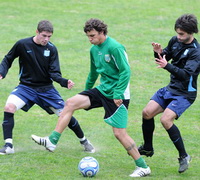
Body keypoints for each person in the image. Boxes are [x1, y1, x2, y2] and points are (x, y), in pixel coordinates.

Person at [32, 18, 151, 177]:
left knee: (119, 133)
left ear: (102, 33)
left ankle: (143, 167)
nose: (90, 39)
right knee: (71, 103)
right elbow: (94, 72)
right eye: (88, 36)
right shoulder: (94, 50)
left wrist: (117, 93)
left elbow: (125, 72)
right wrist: (87, 92)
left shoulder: (115, 47)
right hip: (102, 89)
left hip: (118, 95)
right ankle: (52, 141)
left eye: (93, 36)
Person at [0, 20, 95, 155]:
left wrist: (64, 81)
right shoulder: (22, 44)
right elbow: (7, 59)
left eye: (49, 36)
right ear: (37, 32)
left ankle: (84, 141)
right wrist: (1, 72)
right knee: (9, 107)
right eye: (44, 36)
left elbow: (54, 73)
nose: (46, 39)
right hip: (26, 88)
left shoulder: (51, 49)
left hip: (46, 90)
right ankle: (8, 145)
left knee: (65, 114)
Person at [138, 14, 200, 173]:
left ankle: (184, 156)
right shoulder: (175, 40)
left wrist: (167, 66)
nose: (178, 37)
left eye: (182, 34)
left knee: (166, 120)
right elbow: (164, 57)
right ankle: (148, 148)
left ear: (191, 32)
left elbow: (186, 75)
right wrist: (158, 53)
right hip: (171, 88)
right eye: (177, 33)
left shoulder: (196, 52)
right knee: (146, 112)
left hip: (186, 93)